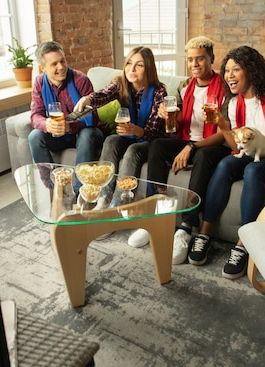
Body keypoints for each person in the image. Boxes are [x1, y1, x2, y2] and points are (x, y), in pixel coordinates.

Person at [197, 45, 265, 279]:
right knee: (226, 164)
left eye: (236, 69)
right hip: (253, 152)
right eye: (227, 70)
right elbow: (238, 147)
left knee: (252, 171)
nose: (229, 76)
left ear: (251, 70)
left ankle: (243, 244)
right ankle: (204, 233)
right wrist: (223, 126)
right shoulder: (236, 103)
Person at [127, 36, 233, 261]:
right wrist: (166, 114)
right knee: (156, 145)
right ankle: (157, 215)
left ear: (211, 58)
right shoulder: (186, 86)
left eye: (200, 59)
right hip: (188, 140)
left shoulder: (224, 88)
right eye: (190, 60)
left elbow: (224, 133)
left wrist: (192, 148)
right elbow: (179, 121)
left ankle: (185, 228)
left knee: (203, 155)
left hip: (215, 144)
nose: (195, 64)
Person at [74, 46, 167, 179]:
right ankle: (104, 192)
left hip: (150, 140)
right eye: (129, 63)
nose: (132, 69)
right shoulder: (121, 83)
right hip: (129, 136)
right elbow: (103, 95)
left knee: (133, 150)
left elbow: (153, 132)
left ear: (148, 68)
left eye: (139, 65)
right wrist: (87, 99)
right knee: (111, 140)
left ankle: (121, 198)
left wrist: (135, 130)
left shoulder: (159, 91)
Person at [28, 41, 108, 171]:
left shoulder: (80, 80)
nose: (61, 67)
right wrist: (47, 124)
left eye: (62, 61)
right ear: (43, 68)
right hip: (59, 135)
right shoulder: (39, 83)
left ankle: (80, 189)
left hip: (89, 132)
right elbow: (35, 115)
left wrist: (69, 127)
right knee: (34, 137)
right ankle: (52, 187)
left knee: (86, 135)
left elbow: (91, 117)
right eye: (54, 64)